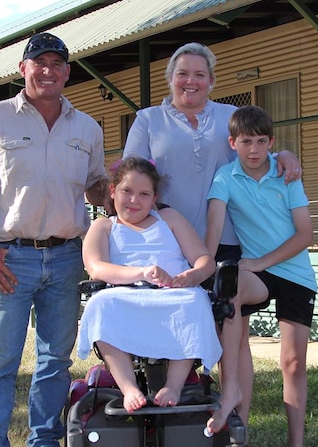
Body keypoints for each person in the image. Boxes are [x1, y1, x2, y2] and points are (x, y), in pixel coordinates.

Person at [0, 32, 107, 447]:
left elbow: (98, 188)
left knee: (55, 361)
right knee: (0, 359)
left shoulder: (87, 129)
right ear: (23, 69)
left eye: (56, 64)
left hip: (66, 258)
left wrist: (128, 191)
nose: (48, 71)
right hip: (9, 257)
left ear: (67, 71)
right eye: (38, 63)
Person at [123, 42, 303, 427]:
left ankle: (237, 426)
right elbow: (132, 174)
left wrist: (286, 154)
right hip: (171, 243)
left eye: (200, 75)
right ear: (170, 77)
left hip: (228, 241)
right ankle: (170, 415)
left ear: (212, 80)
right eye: (183, 73)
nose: (191, 81)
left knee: (233, 337)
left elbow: (257, 148)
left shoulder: (230, 115)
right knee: (173, 325)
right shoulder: (148, 119)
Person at [205, 105, 318, 447]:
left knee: (292, 363)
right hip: (257, 272)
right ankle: (233, 397)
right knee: (229, 286)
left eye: (260, 142)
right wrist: (201, 268)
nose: (253, 149)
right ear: (232, 143)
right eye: (245, 142)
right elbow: (212, 233)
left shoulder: (287, 175)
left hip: (293, 272)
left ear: (271, 143)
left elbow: (305, 234)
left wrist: (260, 261)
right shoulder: (225, 178)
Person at [77, 157, 220, 413]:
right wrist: (141, 272)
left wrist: (194, 275)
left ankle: (174, 385)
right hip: (125, 294)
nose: (134, 200)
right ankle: (128, 386)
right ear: (113, 191)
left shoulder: (169, 218)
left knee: (195, 301)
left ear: (155, 198)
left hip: (172, 293)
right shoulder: (104, 226)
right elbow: (96, 267)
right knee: (100, 304)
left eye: (144, 194)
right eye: (127, 192)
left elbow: (204, 259)